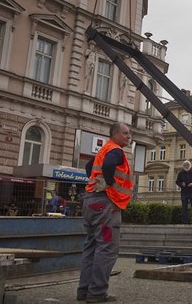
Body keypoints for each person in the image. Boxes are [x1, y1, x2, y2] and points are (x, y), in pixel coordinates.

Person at [78, 122, 133, 303]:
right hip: (105, 204)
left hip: (90, 200)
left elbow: (88, 167)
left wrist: (98, 182)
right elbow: (109, 166)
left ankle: (84, 291)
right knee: (107, 248)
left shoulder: (102, 151)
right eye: (125, 133)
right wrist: (108, 184)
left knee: (91, 246)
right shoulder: (115, 151)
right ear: (115, 134)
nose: (128, 136)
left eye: (129, 133)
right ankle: (97, 293)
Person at [176, 160, 192, 224]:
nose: (186, 166)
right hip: (184, 192)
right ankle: (185, 222)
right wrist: (181, 184)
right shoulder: (180, 173)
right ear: (183, 166)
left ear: (190, 165)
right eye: (185, 165)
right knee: (184, 207)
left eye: (187, 165)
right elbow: (177, 181)